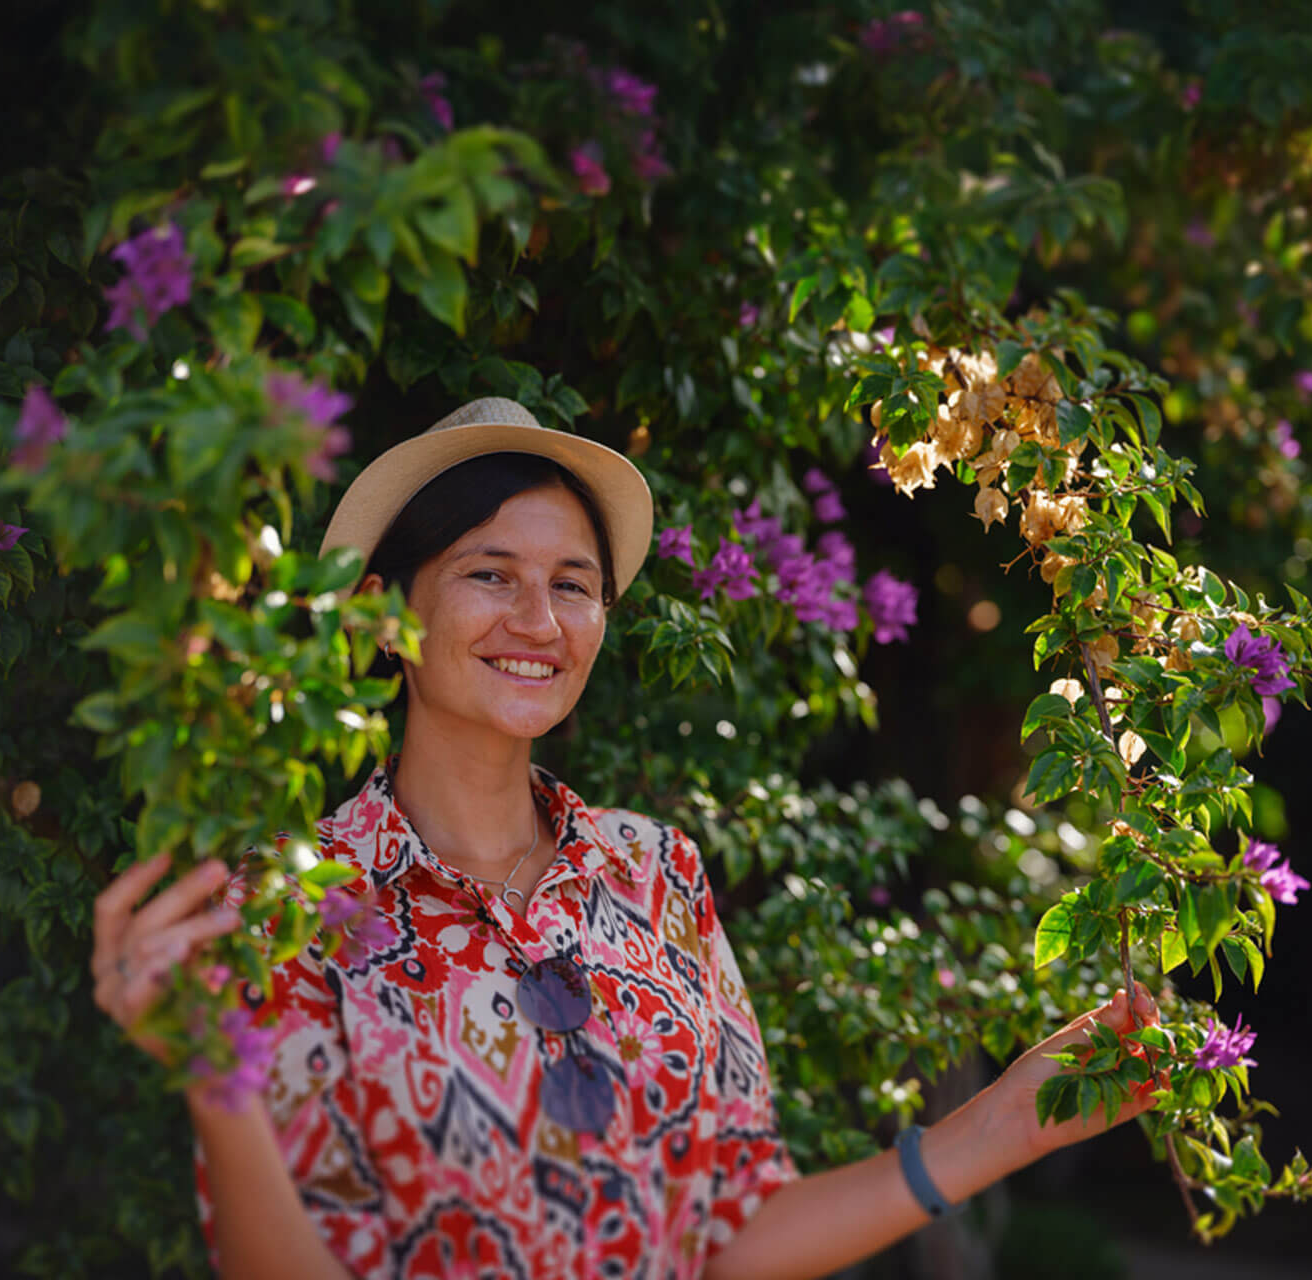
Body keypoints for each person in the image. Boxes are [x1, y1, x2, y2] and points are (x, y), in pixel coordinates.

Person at [91, 397, 1159, 1279]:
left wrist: (1002, 1123)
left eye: (574, 585)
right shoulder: (297, 903)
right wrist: (211, 1078)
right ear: (382, 614)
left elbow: (732, 1234)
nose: (540, 621)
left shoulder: (658, 872)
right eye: (489, 572)